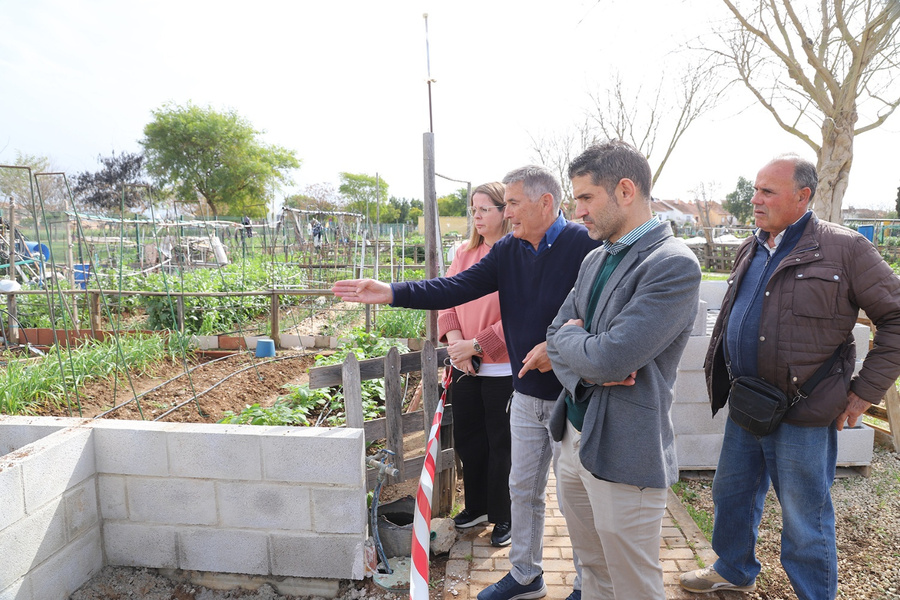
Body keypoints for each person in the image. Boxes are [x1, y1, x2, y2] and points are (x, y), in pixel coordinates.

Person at [333, 165, 600, 600]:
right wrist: (391, 291)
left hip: (575, 396)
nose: (507, 212)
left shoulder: (583, 245)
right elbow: (455, 287)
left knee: (580, 499)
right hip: (526, 393)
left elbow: (602, 310)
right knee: (522, 489)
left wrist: (568, 350)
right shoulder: (510, 249)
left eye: (512, 203)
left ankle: (589, 585)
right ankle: (527, 575)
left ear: (546, 203)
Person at [679, 154, 900, 599]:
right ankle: (733, 570)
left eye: (767, 192)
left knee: (805, 518)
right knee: (731, 495)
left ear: (804, 196)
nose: (754, 200)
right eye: (756, 189)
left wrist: (862, 395)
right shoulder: (753, 245)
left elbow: (895, 318)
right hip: (748, 404)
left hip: (806, 412)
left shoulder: (847, 248)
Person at [545, 140, 701, 599]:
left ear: (626, 190)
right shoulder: (595, 257)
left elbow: (611, 357)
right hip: (574, 437)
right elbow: (555, 336)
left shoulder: (671, 264)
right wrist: (585, 362)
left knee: (633, 583)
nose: (577, 212)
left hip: (625, 449)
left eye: (586, 198)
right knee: (593, 571)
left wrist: (584, 350)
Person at [439, 182, 514, 547]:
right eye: (474, 209)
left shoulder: (517, 255)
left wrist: (477, 347)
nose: (478, 216)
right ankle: (478, 506)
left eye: (485, 208)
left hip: (502, 368)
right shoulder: (464, 253)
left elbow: (521, 317)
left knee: (502, 444)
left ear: (505, 211)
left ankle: (505, 515)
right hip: (464, 365)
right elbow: (447, 300)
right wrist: (456, 345)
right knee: (470, 440)